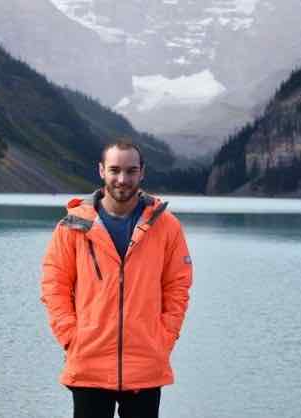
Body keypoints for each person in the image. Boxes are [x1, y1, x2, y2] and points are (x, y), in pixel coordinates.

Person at [41, 140, 193, 418]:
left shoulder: (166, 226)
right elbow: (54, 286)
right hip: (89, 362)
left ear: (142, 173)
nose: (122, 179)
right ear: (101, 171)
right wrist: (71, 337)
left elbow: (177, 287)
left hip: (145, 363)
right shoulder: (73, 225)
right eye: (114, 170)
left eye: (131, 171)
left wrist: (163, 338)